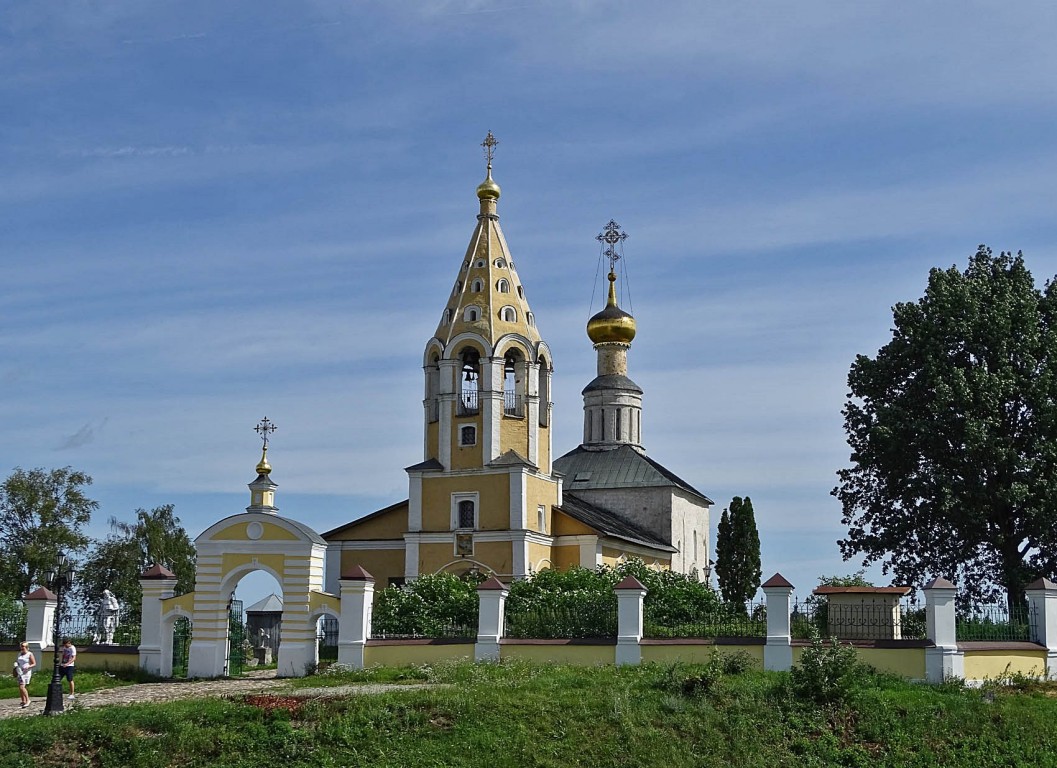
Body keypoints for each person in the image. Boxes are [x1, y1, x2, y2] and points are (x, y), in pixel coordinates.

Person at [14, 641, 36, 709]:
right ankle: (23, 701)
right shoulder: (19, 654)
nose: (22, 647)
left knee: (22, 686)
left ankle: (28, 700)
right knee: (20, 687)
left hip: (26, 672)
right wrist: (16, 665)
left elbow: (34, 663)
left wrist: (28, 666)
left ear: (26, 647)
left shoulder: (29, 654)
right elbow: (18, 661)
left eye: (23, 646)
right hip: (20, 671)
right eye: (21, 646)